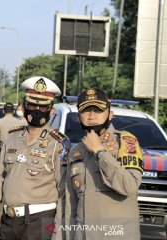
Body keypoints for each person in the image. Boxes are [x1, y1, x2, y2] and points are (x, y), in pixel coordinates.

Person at [0, 76, 70, 240]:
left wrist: (58, 232)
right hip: (8, 220)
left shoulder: (58, 144)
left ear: (52, 111)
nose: (37, 110)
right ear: (22, 107)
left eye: (43, 107)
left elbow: (64, 192)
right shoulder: (13, 136)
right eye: (32, 105)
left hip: (40, 221)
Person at [64, 88, 143, 239]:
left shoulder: (125, 142)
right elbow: (70, 206)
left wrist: (100, 152)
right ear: (78, 116)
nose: (92, 116)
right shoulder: (75, 152)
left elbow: (129, 185)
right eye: (86, 110)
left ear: (110, 114)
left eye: (98, 110)